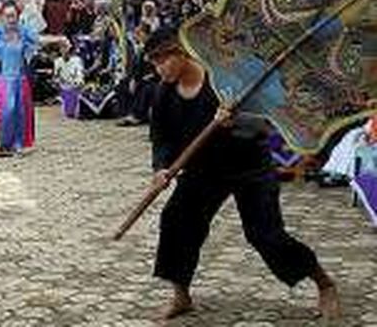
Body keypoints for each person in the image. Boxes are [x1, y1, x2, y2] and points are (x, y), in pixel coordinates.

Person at [144, 27, 340, 320]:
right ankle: (181, 296)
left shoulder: (222, 81)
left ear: (182, 52)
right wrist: (161, 168)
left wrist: (235, 121)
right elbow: (161, 138)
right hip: (203, 170)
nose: (160, 69)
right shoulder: (163, 93)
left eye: (163, 60)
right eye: (154, 64)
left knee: (265, 235)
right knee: (177, 220)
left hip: (249, 167)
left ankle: (324, 283)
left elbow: (263, 124)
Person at [0, 0, 38, 156]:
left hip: (21, 80)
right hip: (4, 80)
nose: (12, 20)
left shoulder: (24, 33)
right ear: (2, 17)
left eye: (14, 16)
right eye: (8, 16)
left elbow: (40, 40)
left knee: (20, 112)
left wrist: (60, 40)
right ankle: (0, 143)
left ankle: (16, 144)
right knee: (5, 110)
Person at [53, 39, 84, 119]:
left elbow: (79, 74)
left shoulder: (77, 60)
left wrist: (78, 82)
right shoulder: (57, 61)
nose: (64, 50)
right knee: (68, 113)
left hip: (75, 86)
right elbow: (56, 76)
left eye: (65, 47)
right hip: (63, 86)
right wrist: (57, 82)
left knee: (73, 112)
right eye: (62, 48)